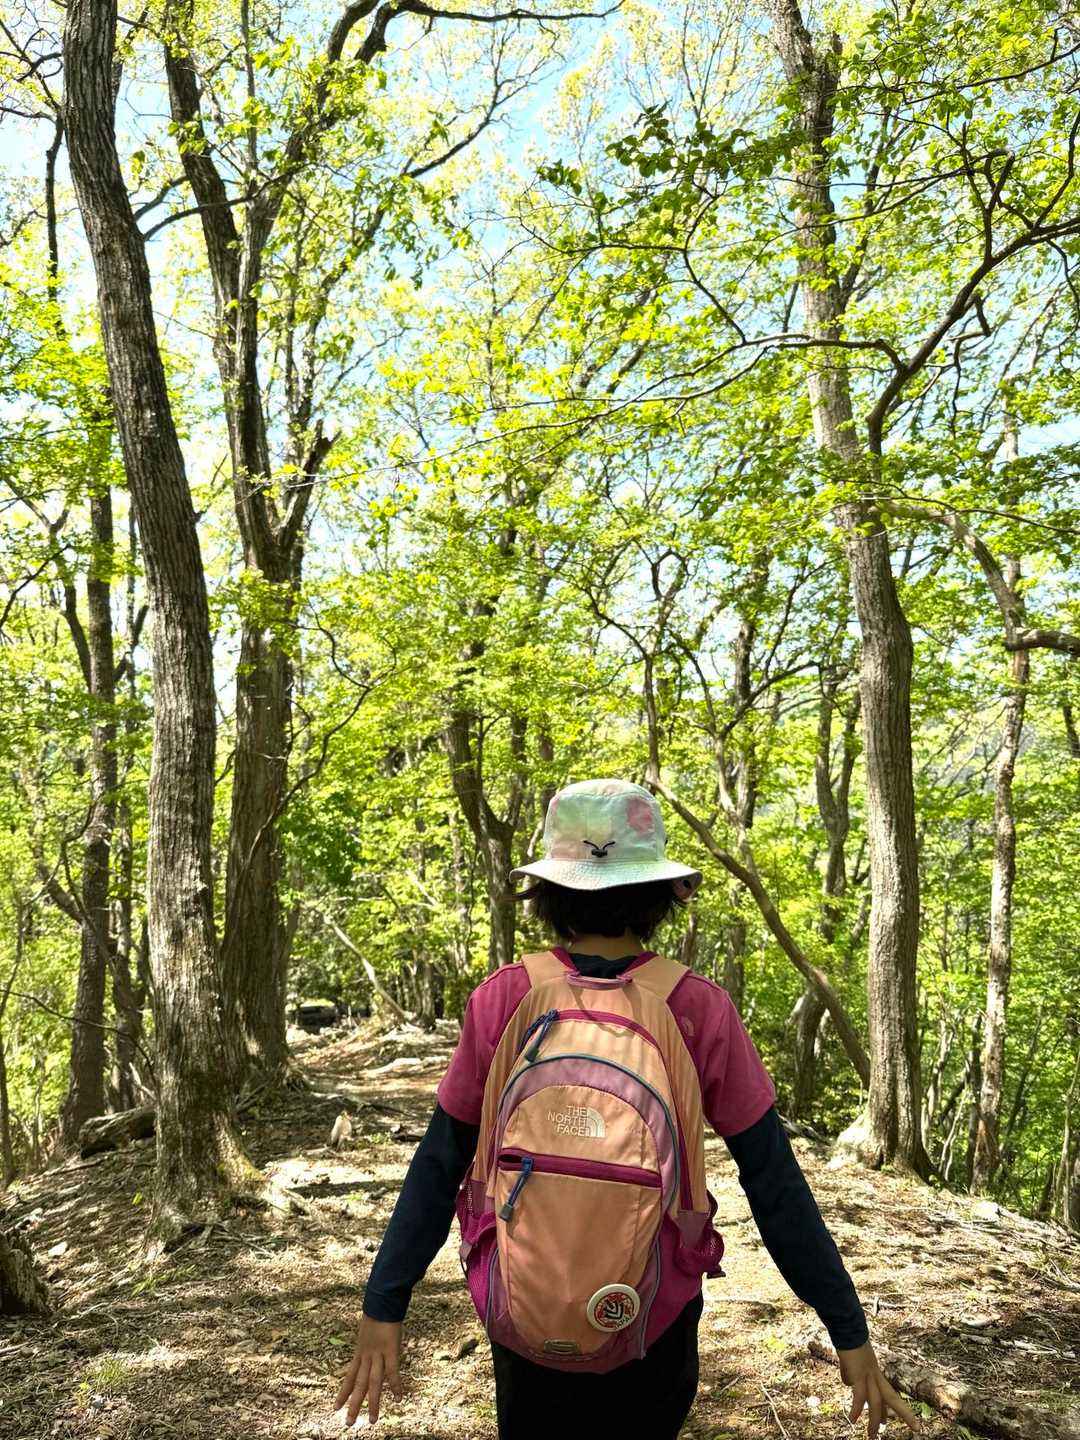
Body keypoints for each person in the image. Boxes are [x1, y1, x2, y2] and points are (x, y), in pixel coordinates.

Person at [336, 779, 920, 1440]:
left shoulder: (504, 998)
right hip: (652, 1319)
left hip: (524, 1306)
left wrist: (384, 1303)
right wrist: (847, 1329)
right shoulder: (698, 1009)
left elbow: (440, 1163)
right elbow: (774, 1182)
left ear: (545, 892)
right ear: (663, 894)